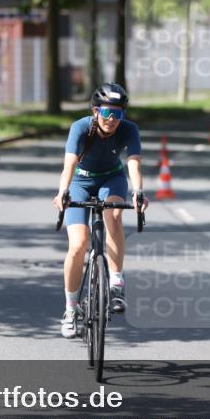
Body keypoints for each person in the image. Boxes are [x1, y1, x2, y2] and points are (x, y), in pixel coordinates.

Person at [53, 83, 148, 339]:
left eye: (118, 114)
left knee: (114, 215)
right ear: (95, 111)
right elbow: (69, 166)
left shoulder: (129, 130)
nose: (112, 119)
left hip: (111, 179)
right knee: (78, 244)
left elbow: (134, 165)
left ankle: (116, 282)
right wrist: (63, 192)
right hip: (80, 181)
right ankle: (71, 309)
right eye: (107, 113)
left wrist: (138, 193)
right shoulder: (80, 127)